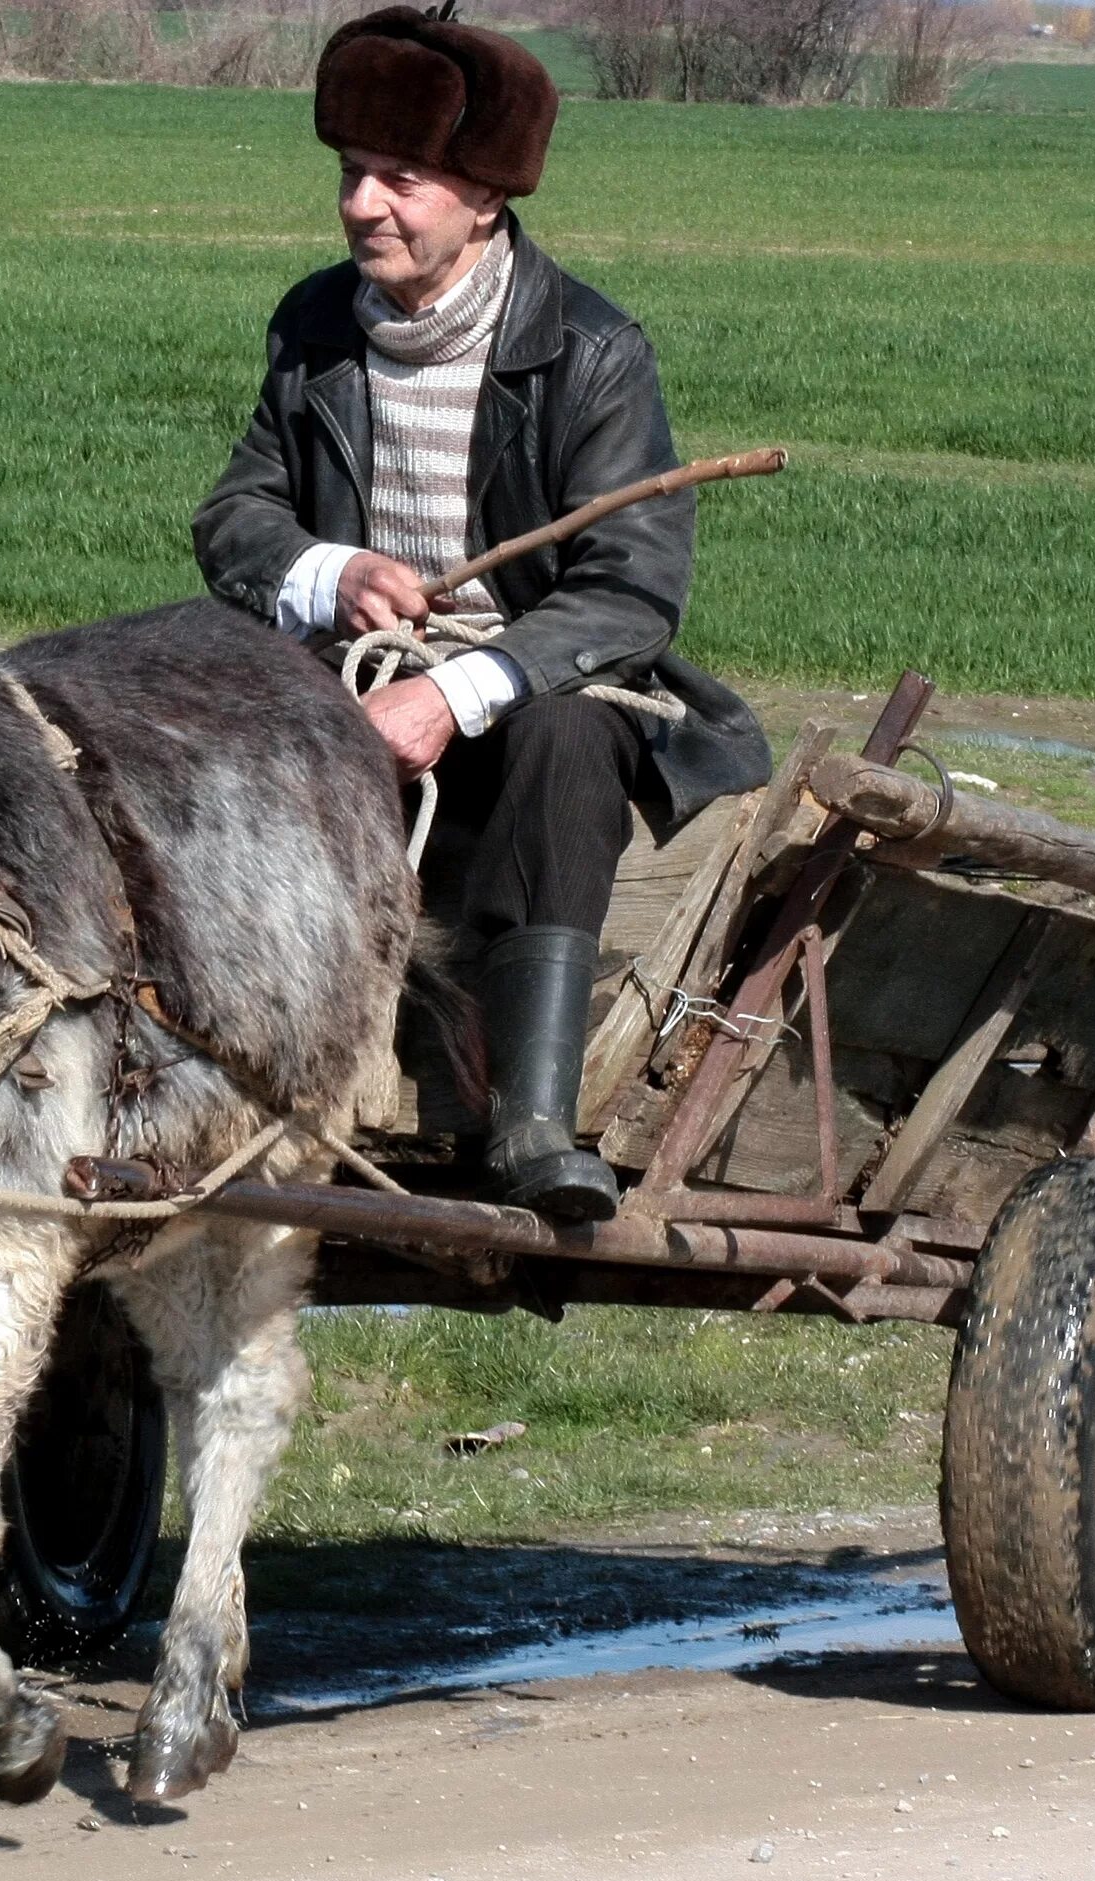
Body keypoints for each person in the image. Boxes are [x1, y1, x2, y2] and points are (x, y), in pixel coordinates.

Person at [193, 3, 770, 1222]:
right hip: (342, 677)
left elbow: (629, 591)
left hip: (531, 690)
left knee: (565, 740)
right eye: (353, 174)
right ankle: (209, 1077)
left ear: (485, 201)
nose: (362, 206)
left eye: (401, 179)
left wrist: (450, 694)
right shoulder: (313, 329)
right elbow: (235, 520)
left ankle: (528, 1119)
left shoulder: (592, 352)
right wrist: (332, 571)